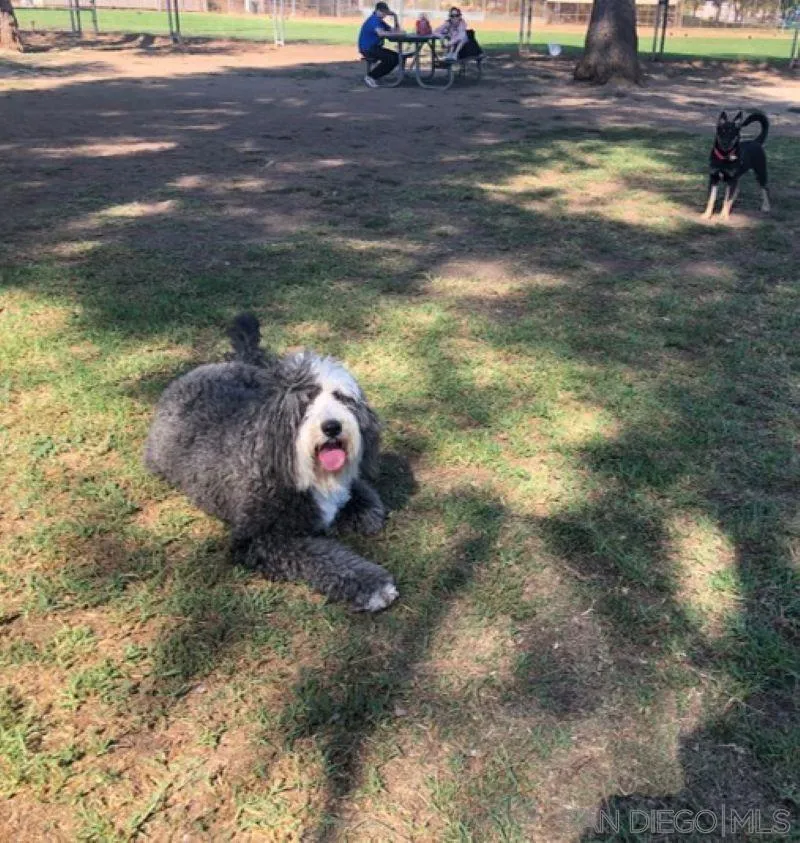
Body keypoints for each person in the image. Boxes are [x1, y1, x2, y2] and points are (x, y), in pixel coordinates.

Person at [358, 1, 403, 88]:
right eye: (383, 12)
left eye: (385, 12)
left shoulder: (380, 21)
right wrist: (398, 34)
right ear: (378, 10)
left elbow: (394, 30)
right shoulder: (374, 19)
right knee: (390, 58)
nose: (385, 14)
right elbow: (381, 33)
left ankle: (376, 76)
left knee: (397, 57)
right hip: (368, 48)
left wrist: (395, 17)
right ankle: (371, 76)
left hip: (374, 47)